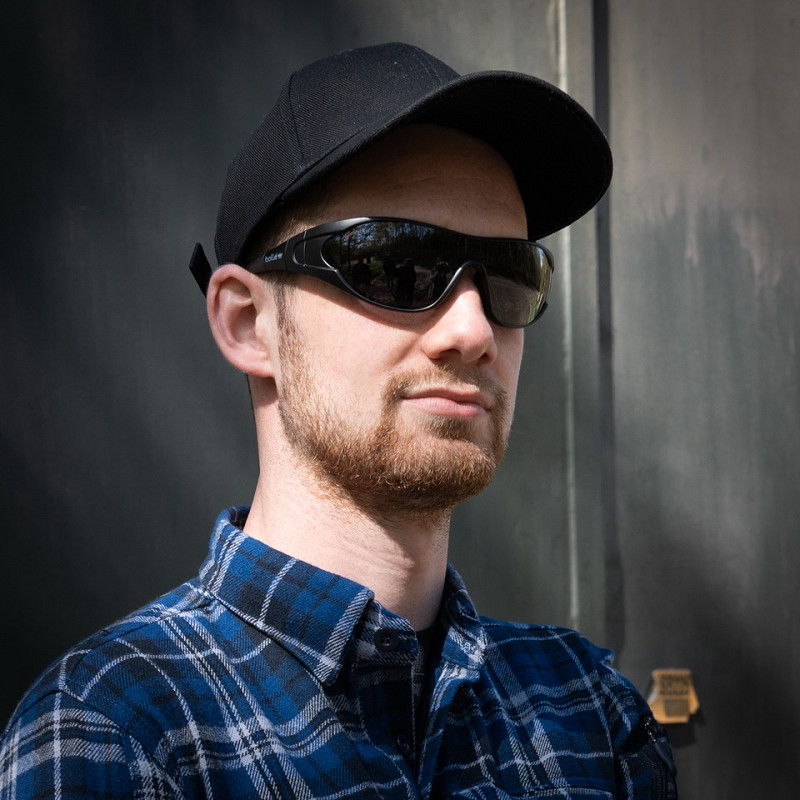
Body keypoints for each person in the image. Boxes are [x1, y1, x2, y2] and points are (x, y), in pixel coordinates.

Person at [0, 43, 677, 798]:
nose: (474, 330)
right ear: (249, 323)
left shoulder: (589, 714)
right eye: (398, 265)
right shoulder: (117, 734)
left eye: (512, 275)